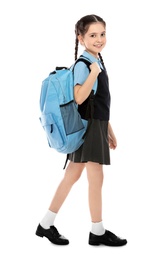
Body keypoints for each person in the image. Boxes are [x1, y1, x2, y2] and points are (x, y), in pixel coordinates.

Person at [35, 14, 127, 247]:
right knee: (95, 178)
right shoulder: (85, 65)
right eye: (93, 35)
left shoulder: (96, 60)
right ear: (81, 37)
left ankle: (46, 224)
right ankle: (97, 231)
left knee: (73, 175)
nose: (99, 39)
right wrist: (94, 73)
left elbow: (97, 103)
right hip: (88, 129)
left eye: (102, 34)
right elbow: (79, 97)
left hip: (95, 126)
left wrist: (109, 129)